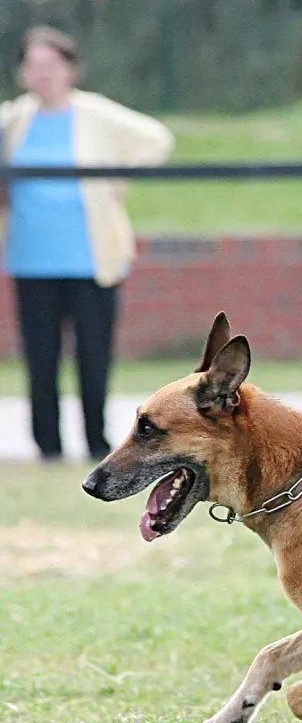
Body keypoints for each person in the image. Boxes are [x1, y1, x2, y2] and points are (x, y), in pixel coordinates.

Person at [2, 26, 174, 462]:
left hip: (91, 260)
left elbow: (156, 139)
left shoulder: (95, 114)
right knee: (41, 361)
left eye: (51, 66)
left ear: (70, 70)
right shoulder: (13, 120)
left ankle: (97, 442)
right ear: (22, 73)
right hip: (32, 260)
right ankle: (48, 446)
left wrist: (114, 179)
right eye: (34, 67)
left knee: (93, 357)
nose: (43, 75)